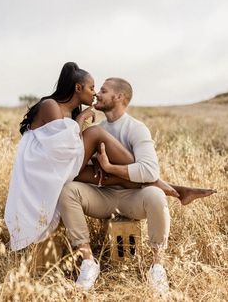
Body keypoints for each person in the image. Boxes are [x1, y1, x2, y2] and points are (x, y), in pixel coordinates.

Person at [58, 77, 216, 293]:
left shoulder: (136, 128)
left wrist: (111, 168)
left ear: (119, 97)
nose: (97, 94)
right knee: (68, 191)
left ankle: (157, 266)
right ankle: (88, 262)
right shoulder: (98, 129)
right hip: (103, 195)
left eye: (103, 90)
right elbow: (81, 167)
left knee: (156, 195)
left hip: (134, 198)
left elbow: (150, 171)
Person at [4, 63, 141, 257]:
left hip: (58, 167)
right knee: (95, 133)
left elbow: (71, 149)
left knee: (108, 171)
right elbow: (61, 148)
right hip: (42, 171)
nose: (94, 94)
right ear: (78, 88)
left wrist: (95, 160)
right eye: (92, 88)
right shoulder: (51, 105)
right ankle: (141, 172)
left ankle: (139, 178)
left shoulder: (72, 112)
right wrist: (82, 118)